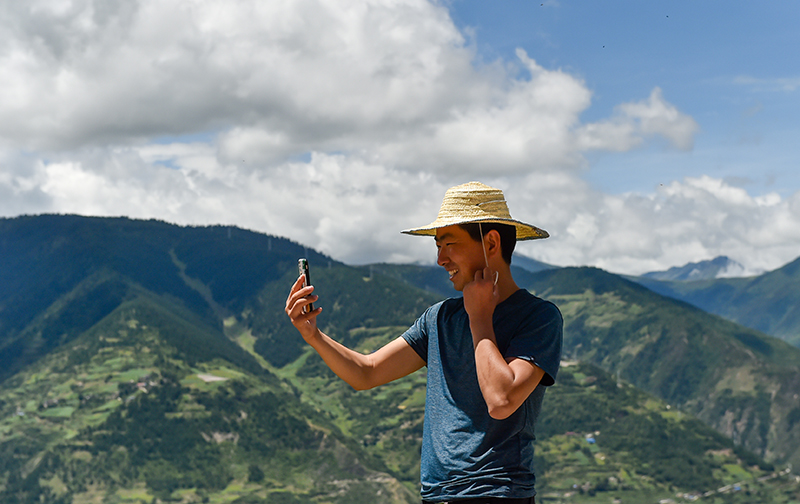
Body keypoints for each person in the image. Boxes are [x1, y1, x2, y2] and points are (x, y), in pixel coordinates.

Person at [285, 181, 563, 504]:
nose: (440, 259)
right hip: (435, 497)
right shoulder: (439, 319)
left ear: (490, 243)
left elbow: (501, 400)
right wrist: (313, 336)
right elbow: (367, 372)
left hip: (498, 495)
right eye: (437, 245)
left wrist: (479, 318)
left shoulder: (539, 317)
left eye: (449, 244)